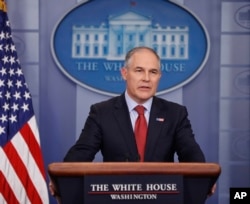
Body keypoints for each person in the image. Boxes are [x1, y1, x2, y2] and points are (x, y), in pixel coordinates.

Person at [63, 46, 205, 163]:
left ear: (159, 77)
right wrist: (61, 179)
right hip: (115, 194)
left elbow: (191, 153)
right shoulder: (101, 113)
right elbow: (81, 154)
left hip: (161, 194)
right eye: (139, 71)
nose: (146, 78)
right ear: (124, 73)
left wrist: (204, 177)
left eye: (153, 72)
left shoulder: (175, 114)